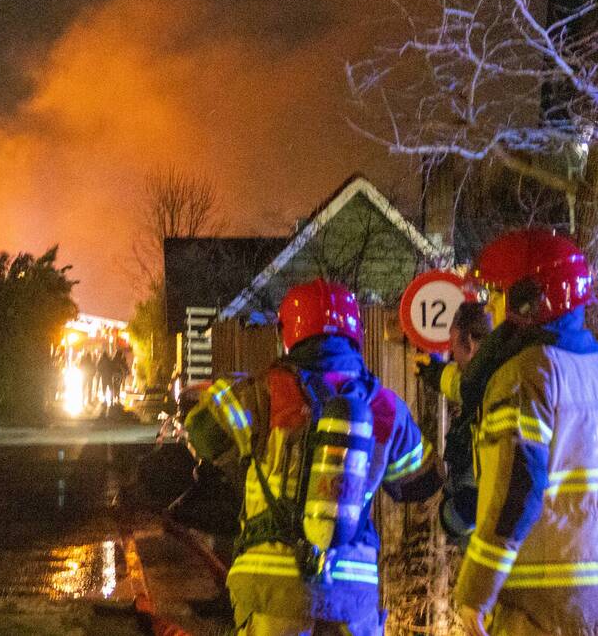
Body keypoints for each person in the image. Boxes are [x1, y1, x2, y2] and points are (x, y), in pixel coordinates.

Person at [185, 279, 442, 635]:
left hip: (273, 592)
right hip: (352, 596)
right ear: (356, 334)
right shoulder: (384, 406)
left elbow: (201, 432)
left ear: (286, 333)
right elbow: (421, 483)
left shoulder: (260, 392)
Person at [453, 229, 598, 636]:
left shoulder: (526, 373)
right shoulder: (589, 368)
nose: (492, 310)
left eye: (497, 296)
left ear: (527, 300)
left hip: (537, 600)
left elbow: (516, 489)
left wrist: (476, 589)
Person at [416, 302, 492, 545]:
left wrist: (452, 517)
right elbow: (464, 386)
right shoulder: (495, 377)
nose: (452, 358)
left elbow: (476, 494)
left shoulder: (490, 390)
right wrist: (435, 372)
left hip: (485, 545)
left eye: (453, 348)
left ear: (469, 342)